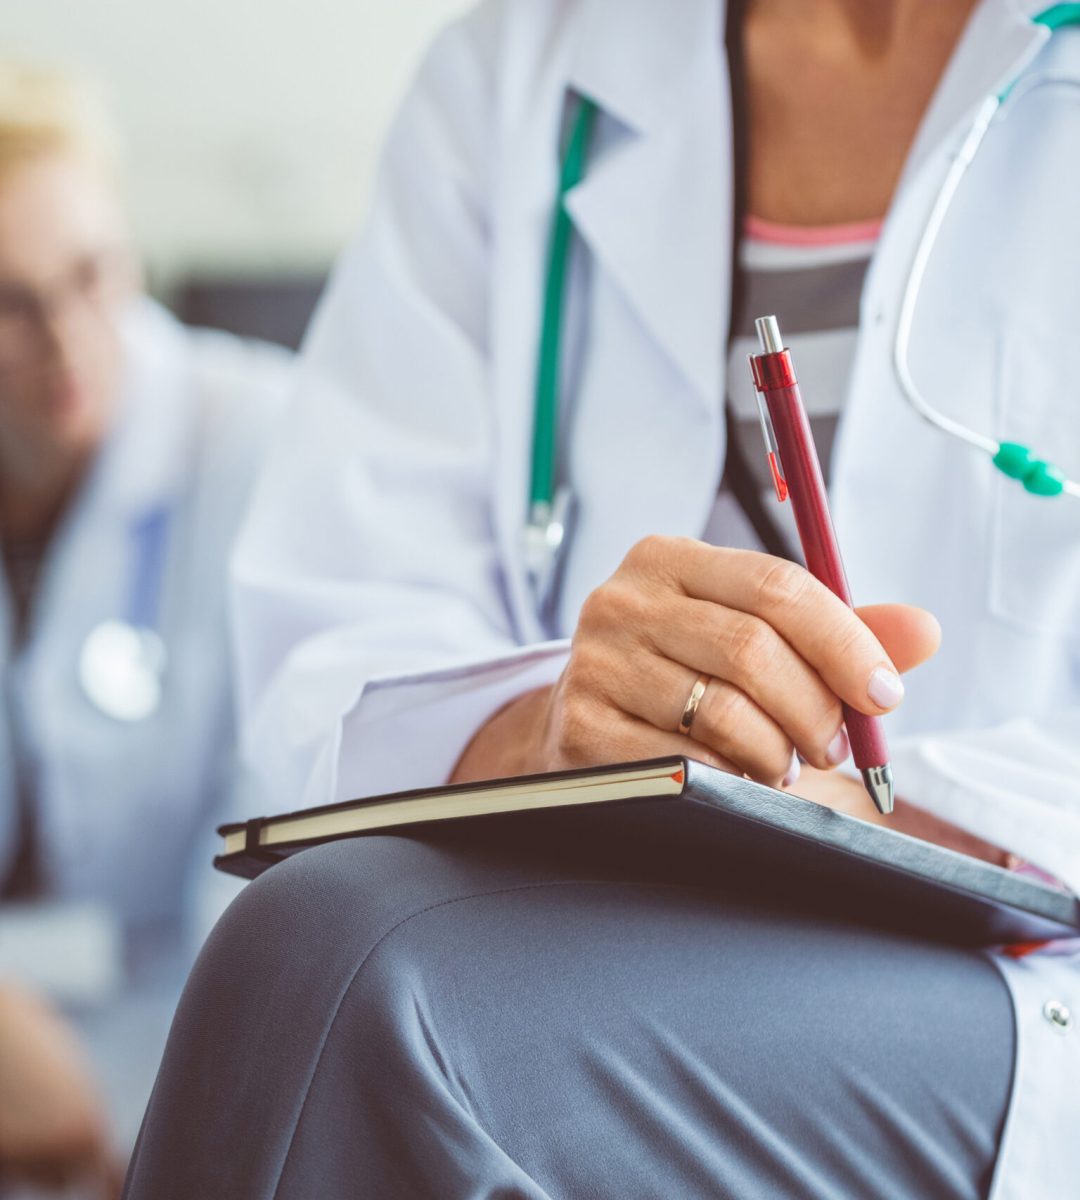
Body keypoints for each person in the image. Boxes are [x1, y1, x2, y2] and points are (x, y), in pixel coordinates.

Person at [124, 1, 1078, 1197]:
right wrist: (551, 725)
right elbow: (332, 620)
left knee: (369, 976)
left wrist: (876, 815)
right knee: (335, 933)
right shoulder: (524, 69)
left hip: (1033, 978)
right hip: (615, 912)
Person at [0, 63, 291, 1195]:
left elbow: (277, 873)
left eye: (92, 276)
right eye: (11, 305)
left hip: (183, 1059)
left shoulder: (259, 443)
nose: (70, 340)